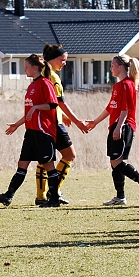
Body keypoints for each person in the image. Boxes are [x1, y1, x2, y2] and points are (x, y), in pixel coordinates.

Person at [0, 54, 62, 207]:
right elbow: (30, 113)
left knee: (48, 165)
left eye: (26, 67)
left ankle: (54, 199)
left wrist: (36, 107)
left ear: (35, 68)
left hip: (43, 131)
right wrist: (17, 124)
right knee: (22, 163)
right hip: (31, 131)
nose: (25, 70)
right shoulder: (31, 86)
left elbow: (53, 104)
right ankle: (8, 196)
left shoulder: (45, 83)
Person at [84, 54, 139, 206]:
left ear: (120, 67)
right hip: (116, 125)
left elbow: (126, 109)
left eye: (112, 65)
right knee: (114, 162)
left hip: (124, 126)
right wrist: (95, 122)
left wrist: (119, 126)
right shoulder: (117, 86)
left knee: (117, 162)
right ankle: (120, 197)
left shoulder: (127, 84)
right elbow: (111, 107)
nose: (111, 68)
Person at [33, 44, 88, 206]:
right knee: (69, 155)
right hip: (52, 124)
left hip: (41, 123)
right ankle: (53, 191)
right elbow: (60, 102)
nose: (65, 63)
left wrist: (62, 116)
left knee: (45, 160)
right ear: (54, 59)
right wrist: (78, 121)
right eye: (63, 60)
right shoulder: (53, 77)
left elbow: (47, 101)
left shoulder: (41, 73)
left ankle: (42, 195)